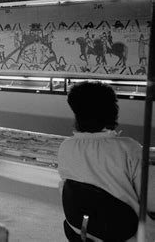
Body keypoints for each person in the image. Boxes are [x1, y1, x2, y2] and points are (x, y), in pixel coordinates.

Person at [58, 81, 155, 241]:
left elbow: (65, 188)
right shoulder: (130, 150)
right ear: (112, 112)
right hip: (126, 234)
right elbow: (152, 201)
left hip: (80, 229)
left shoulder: (66, 147)